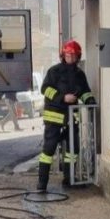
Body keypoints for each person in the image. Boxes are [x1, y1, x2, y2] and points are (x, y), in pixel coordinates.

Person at [37, 39, 96, 191]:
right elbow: (45, 89)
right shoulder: (54, 71)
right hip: (54, 117)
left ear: (78, 57)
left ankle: (69, 180)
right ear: (63, 55)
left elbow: (84, 91)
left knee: (73, 150)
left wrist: (89, 100)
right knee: (49, 150)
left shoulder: (80, 74)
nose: (71, 58)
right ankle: (42, 184)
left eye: (74, 55)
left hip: (71, 119)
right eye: (68, 55)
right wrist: (62, 98)